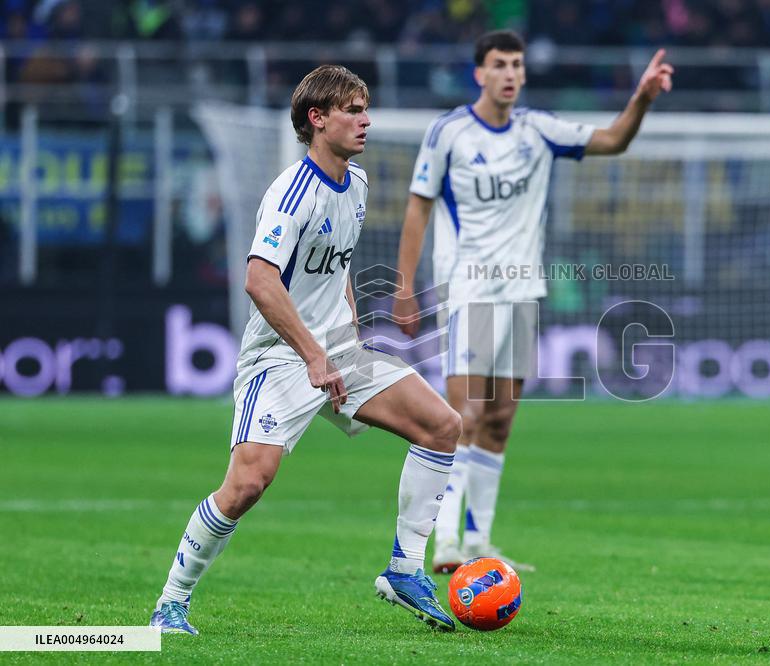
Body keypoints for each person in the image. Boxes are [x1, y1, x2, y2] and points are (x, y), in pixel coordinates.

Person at [149, 64, 462, 634]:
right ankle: (171, 603)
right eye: (352, 109)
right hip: (280, 356)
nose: (365, 120)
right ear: (317, 120)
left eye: (366, 107)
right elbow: (260, 280)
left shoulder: (358, 183)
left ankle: (405, 569)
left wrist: (345, 335)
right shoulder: (291, 194)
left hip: (339, 348)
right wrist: (314, 354)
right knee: (246, 485)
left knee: (442, 425)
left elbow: (336, 266)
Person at [392, 30, 673, 573]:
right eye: (499, 64)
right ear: (479, 74)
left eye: (517, 65)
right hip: (469, 287)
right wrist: (405, 287)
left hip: (523, 289)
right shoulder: (448, 132)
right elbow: (417, 209)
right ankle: (445, 541)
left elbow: (614, 140)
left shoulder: (538, 130)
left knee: (499, 418)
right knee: (463, 414)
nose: (510, 74)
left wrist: (641, 98)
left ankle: (478, 541)